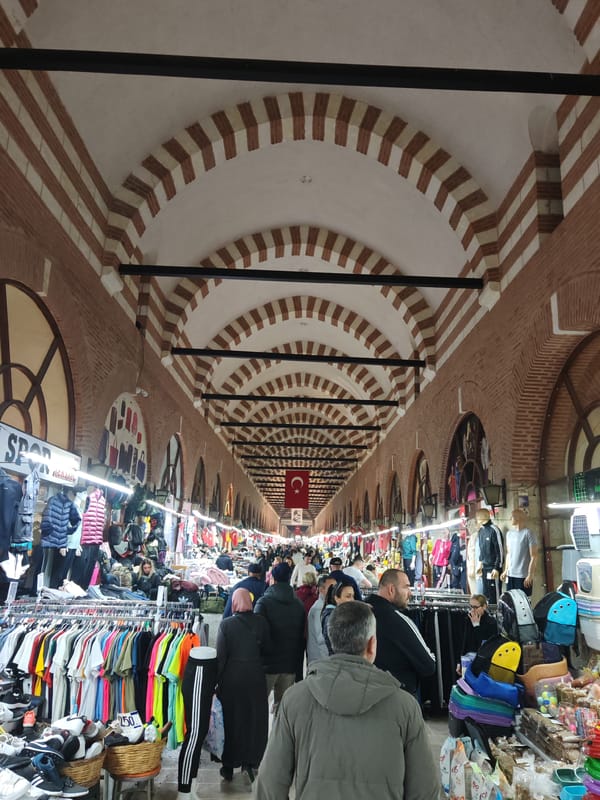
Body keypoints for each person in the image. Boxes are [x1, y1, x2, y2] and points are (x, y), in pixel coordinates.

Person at [254, 600, 440, 800]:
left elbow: (270, 784)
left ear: (332, 641)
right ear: (371, 644)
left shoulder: (295, 699)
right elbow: (425, 789)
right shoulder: (405, 706)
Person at [216, 588, 270, 784]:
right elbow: (267, 649)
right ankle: (250, 761)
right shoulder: (261, 622)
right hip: (255, 676)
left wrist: (216, 682)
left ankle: (229, 765)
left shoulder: (226, 625)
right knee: (253, 720)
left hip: (232, 678)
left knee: (232, 720)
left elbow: (221, 657)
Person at [366, 569, 436, 697]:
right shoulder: (397, 620)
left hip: (363, 695)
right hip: (396, 699)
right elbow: (428, 665)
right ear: (391, 589)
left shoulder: (359, 612)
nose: (410, 593)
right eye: (406, 587)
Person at [253, 562, 306, 712]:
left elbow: (257, 634)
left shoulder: (264, 602)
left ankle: (261, 736)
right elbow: (301, 639)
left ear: (273, 580)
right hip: (289, 666)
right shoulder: (298, 604)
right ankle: (278, 735)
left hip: (266, 665)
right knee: (282, 711)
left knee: (259, 709)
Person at [457, 594, 498, 673]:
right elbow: (464, 642)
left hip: (483, 663)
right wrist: (459, 661)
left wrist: (476, 626)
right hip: (468, 660)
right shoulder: (468, 619)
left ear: (484, 606)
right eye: (471, 607)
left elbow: (485, 646)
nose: (472, 610)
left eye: (476, 607)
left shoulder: (492, 623)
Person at [501, 508, 538, 595]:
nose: (510, 519)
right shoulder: (509, 534)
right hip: (510, 574)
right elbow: (509, 553)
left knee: (523, 601)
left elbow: (534, 556)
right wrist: (506, 570)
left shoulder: (528, 533)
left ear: (518, 518)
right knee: (511, 600)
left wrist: (530, 574)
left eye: (512, 517)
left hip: (523, 575)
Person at [321, 580, 358, 655]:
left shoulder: (337, 614)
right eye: (348, 596)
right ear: (337, 598)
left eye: (353, 596)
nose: (352, 600)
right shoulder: (332, 618)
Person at [306, 574, 336, 664]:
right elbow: (322, 640)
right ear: (321, 590)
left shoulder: (326, 607)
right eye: (331, 588)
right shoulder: (319, 609)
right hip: (321, 662)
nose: (334, 591)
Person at [476, 508, 503, 603]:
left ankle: (497, 614)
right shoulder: (481, 531)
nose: (477, 518)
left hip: (493, 568)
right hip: (484, 567)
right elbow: (481, 549)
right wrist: (480, 563)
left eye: (478, 516)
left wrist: (497, 567)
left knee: (494, 594)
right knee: (486, 594)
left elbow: (499, 550)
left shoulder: (494, 530)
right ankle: (488, 614)